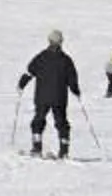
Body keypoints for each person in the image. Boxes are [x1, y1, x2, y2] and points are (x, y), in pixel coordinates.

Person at [20, 28, 81, 158]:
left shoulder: (41, 57)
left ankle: (36, 148)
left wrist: (21, 84)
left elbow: (29, 72)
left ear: (49, 41)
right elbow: (72, 78)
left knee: (38, 120)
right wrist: (76, 90)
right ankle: (64, 151)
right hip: (59, 97)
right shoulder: (66, 60)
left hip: (42, 96)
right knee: (61, 122)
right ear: (61, 42)